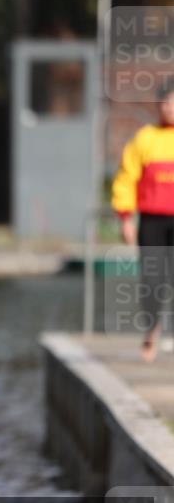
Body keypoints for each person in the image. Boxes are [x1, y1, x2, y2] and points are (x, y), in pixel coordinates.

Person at [112, 82, 174, 362]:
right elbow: (126, 178)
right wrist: (125, 217)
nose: (169, 109)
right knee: (153, 280)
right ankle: (151, 330)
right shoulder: (145, 139)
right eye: (165, 103)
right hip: (152, 220)